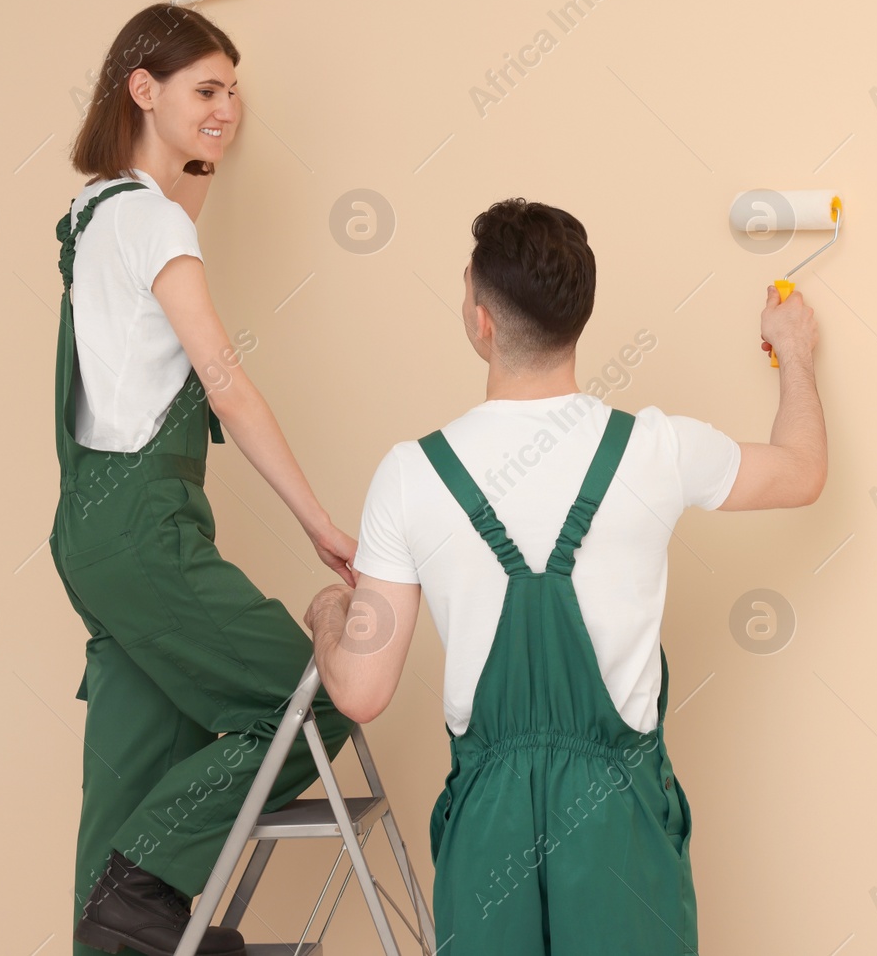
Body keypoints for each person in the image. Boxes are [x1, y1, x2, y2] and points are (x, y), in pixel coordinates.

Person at [302, 199, 827, 954]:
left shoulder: (412, 475)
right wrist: (796, 350)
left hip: (488, 825)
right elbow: (804, 471)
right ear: (578, 317)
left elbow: (360, 690)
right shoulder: (656, 449)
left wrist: (328, 608)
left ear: (482, 321)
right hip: (620, 817)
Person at [49, 2, 356, 956]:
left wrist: (200, 147)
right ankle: (143, 889)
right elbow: (225, 385)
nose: (227, 109)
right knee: (312, 703)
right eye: (206, 90)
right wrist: (318, 524)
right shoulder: (155, 227)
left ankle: (119, 913)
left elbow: (169, 213)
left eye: (235, 93)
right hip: (146, 523)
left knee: (130, 774)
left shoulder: (95, 213)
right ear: (143, 89)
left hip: (90, 530)